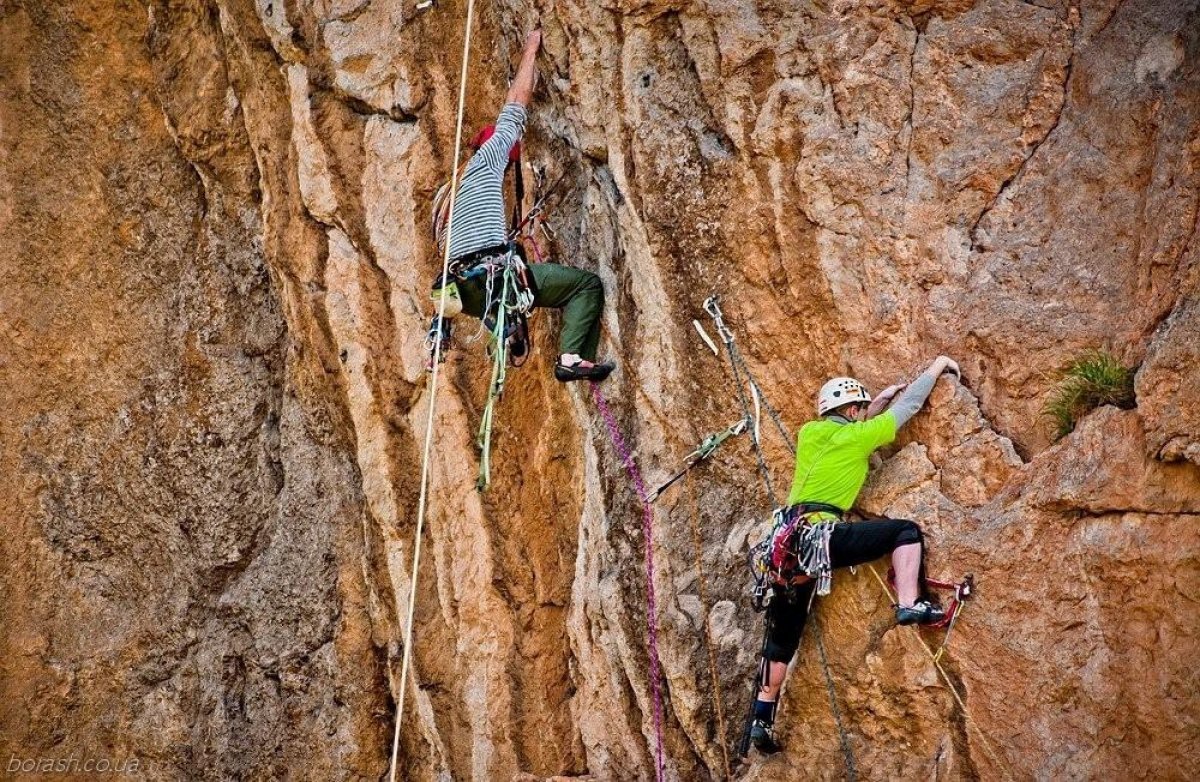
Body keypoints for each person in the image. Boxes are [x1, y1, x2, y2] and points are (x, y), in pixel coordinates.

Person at [747, 355, 962, 754]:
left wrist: (873, 403)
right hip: (822, 538)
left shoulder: (810, 433)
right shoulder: (860, 437)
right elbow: (910, 407)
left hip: (784, 550)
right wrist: (935, 368)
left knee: (781, 644)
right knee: (904, 532)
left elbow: (849, 427)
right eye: (860, 410)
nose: (865, 416)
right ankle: (910, 604)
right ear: (852, 410)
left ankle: (761, 718)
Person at [433, 28, 615, 383]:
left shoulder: (448, 196)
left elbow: (468, 239)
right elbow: (516, 102)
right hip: (491, 275)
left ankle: (507, 323)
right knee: (585, 285)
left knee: (512, 262)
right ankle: (572, 358)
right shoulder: (489, 158)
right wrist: (531, 49)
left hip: (464, 291)